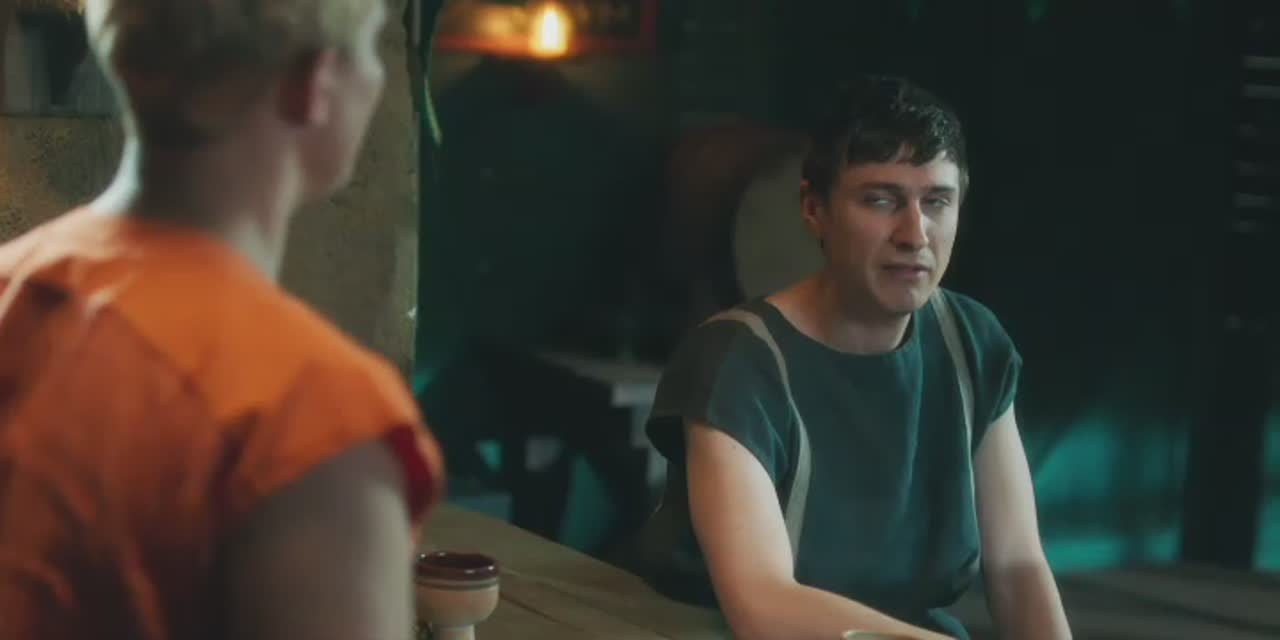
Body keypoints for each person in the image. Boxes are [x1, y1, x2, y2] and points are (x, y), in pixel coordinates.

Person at [0, 1, 445, 639]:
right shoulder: (314, 418)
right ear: (313, 84)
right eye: (372, 47)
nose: (377, 80)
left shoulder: (13, 287)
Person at [632, 75, 1072, 639]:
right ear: (814, 208)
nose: (914, 234)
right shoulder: (738, 361)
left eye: (937, 202)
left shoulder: (972, 341)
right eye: (880, 200)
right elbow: (762, 603)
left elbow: (1017, 565)